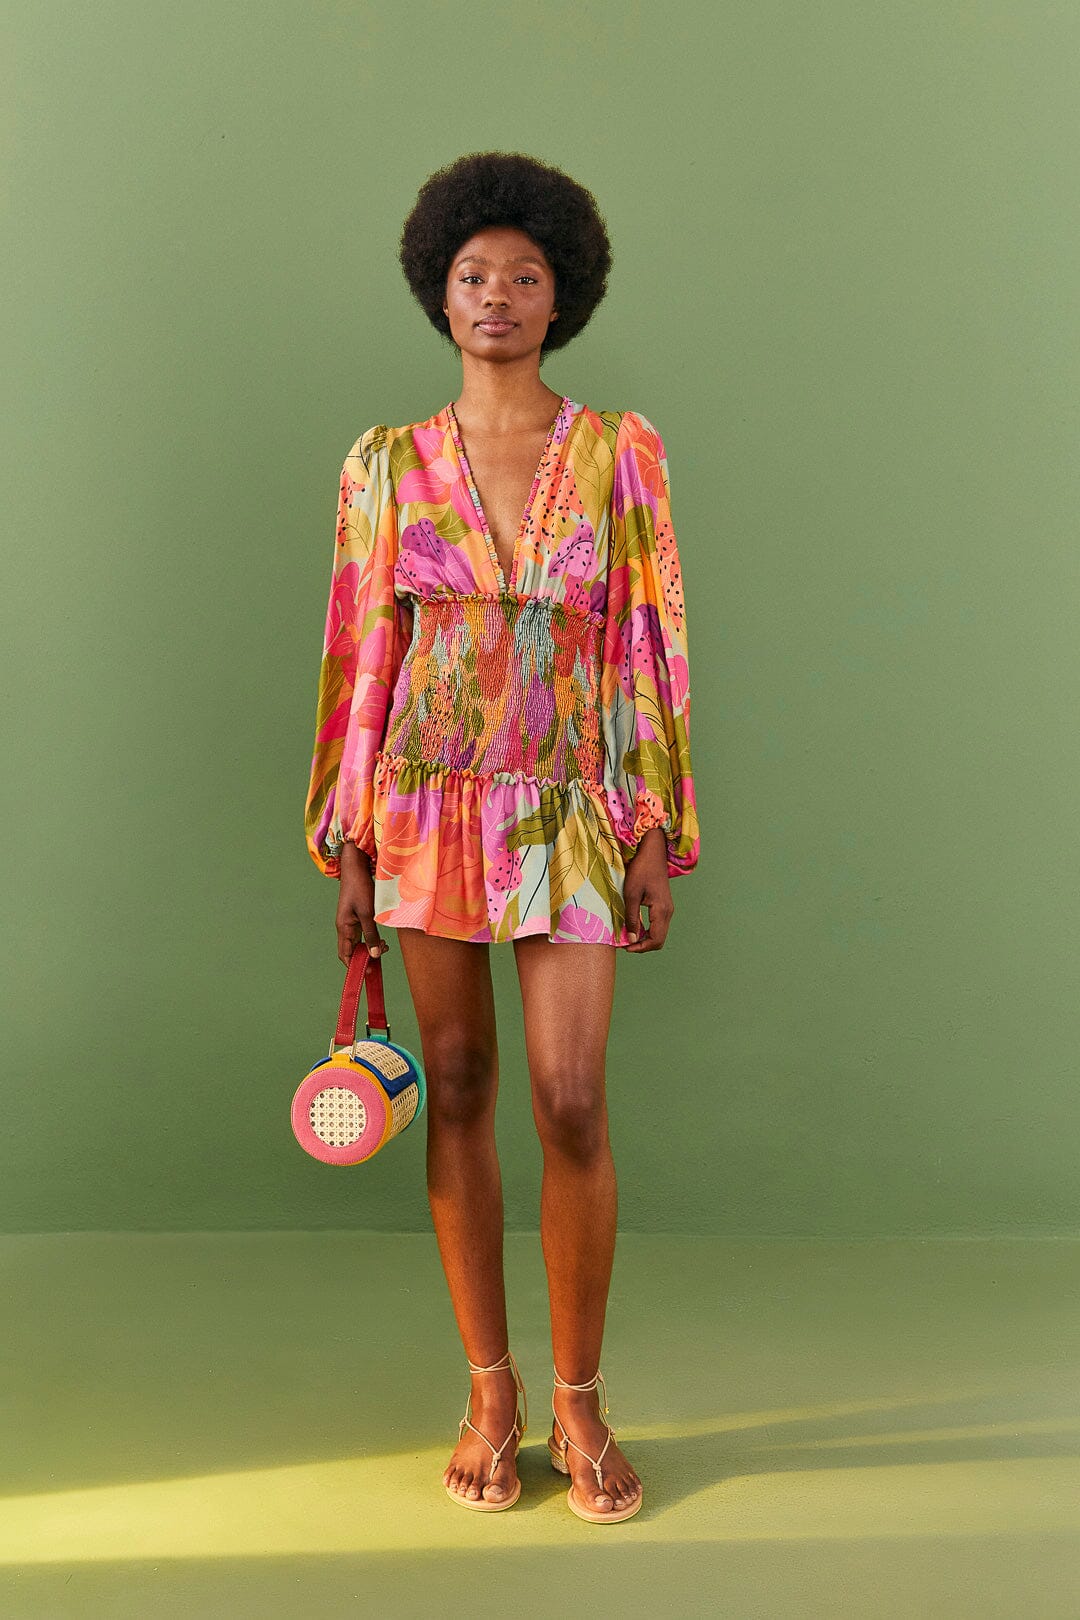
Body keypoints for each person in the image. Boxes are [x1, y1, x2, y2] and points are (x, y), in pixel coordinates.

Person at [303, 151, 699, 1523]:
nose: (496, 296)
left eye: (525, 276)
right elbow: (362, 648)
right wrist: (350, 837)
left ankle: (581, 1400)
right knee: (460, 1082)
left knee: (570, 1097)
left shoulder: (620, 453)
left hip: (573, 803)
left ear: (561, 294)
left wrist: (653, 823)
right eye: (473, 275)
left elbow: (649, 639)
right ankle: (490, 1390)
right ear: (439, 290)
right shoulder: (384, 464)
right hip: (423, 801)